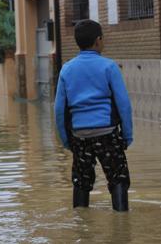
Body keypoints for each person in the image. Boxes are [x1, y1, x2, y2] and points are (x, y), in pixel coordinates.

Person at [54, 19, 133, 212]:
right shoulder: (109, 66)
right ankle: (121, 220)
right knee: (118, 178)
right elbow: (123, 105)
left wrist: (66, 140)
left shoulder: (67, 69)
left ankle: (81, 222)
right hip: (107, 133)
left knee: (81, 181)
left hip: (79, 136)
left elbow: (59, 109)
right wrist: (127, 135)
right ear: (98, 40)